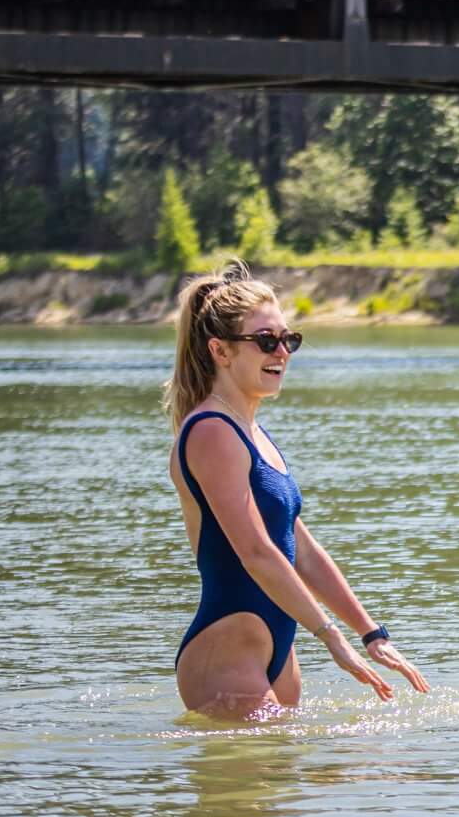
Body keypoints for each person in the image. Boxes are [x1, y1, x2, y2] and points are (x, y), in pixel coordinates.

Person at [165, 263, 431, 719]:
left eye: (289, 339)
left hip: (277, 652)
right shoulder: (211, 431)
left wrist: (371, 635)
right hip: (228, 650)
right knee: (249, 783)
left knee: (285, 783)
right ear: (221, 351)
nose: (282, 352)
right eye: (266, 340)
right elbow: (255, 551)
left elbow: (301, 551)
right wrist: (331, 638)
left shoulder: (254, 433)